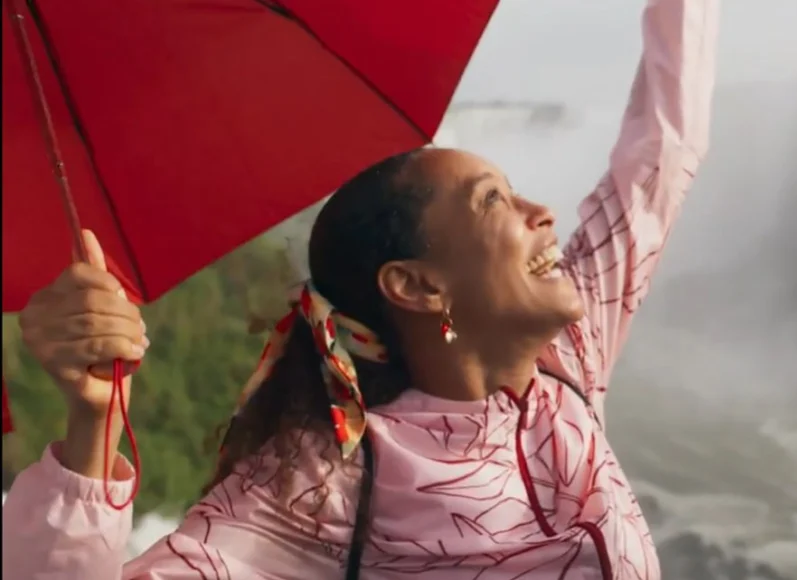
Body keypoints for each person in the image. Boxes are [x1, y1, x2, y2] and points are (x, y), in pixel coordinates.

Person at [1, 0, 717, 577]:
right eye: (494, 201)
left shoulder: (570, 356)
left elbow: (663, 152)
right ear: (416, 285)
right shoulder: (326, 482)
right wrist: (94, 427)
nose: (543, 213)